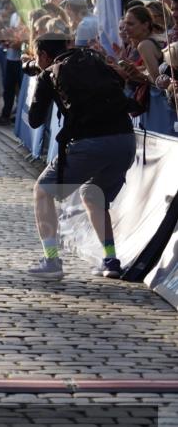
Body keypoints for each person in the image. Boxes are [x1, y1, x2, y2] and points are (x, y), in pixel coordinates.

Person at [27, 33, 137, 280]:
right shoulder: (93, 59)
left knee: (43, 191)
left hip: (90, 143)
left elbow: (34, 120)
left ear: (43, 55)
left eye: (37, 56)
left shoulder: (49, 74)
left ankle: (51, 260)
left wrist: (41, 81)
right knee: (93, 195)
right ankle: (110, 260)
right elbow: (119, 83)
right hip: (126, 140)